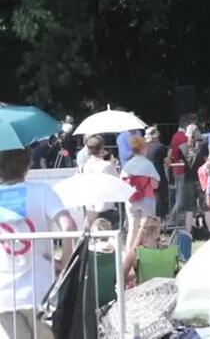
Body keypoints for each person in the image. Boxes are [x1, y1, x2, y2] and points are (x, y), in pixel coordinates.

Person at [0, 148, 77, 339]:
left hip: (4, 293)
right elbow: (69, 227)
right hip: (40, 289)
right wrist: (66, 264)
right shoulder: (42, 191)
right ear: (27, 165)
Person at [120, 136, 161, 249]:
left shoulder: (127, 165)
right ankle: (147, 251)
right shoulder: (148, 164)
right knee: (148, 228)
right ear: (143, 149)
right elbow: (155, 184)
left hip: (131, 199)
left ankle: (129, 253)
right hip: (147, 198)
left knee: (132, 229)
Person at [171, 124, 208, 233]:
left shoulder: (182, 148)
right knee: (206, 207)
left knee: (189, 208)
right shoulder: (204, 145)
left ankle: (189, 231)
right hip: (201, 179)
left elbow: (179, 161)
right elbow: (207, 160)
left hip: (188, 179)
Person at [79, 135, 121, 226]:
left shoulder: (85, 166)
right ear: (101, 148)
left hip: (90, 206)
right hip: (105, 206)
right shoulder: (107, 165)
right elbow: (117, 182)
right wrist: (113, 165)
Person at [143, 127, 170, 218]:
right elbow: (167, 163)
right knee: (159, 199)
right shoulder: (160, 146)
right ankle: (158, 219)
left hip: (145, 177)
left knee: (147, 198)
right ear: (155, 137)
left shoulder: (142, 147)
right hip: (158, 176)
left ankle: (148, 218)